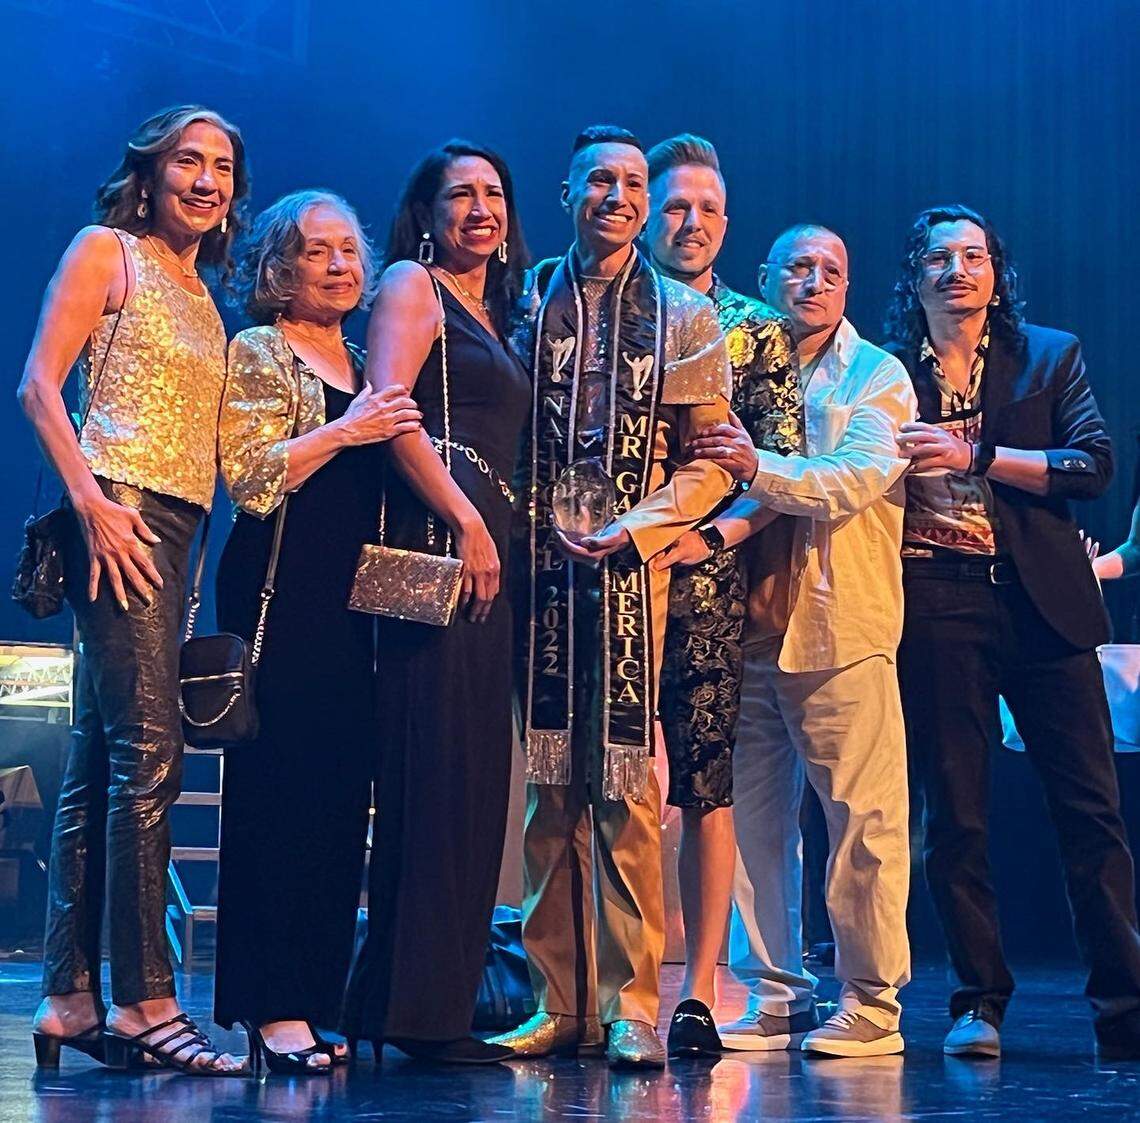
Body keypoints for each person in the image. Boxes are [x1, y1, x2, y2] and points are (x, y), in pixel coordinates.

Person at [490, 125, 735, 1069]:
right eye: (601, 179)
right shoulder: (524, 298)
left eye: (634, 182)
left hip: (635, 570)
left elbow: (716, 461)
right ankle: (557, 1000)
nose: (620, 197)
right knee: (549, 786)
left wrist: (638, 526)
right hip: (540, 569)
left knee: (627, 787)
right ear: (568, 193)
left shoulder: (685, 314)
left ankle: (631, 1003)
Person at [20, 105, 249, 1074]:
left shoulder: (203, 293)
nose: (206, 179)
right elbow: (38, 385)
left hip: (176, 525)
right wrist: (93, 505)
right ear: (148, 176)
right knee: (151, 758)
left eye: (222, 167)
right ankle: (148, 1000)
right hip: (119, 506)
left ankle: (69, 996)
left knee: (99, 760)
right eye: (187, 161)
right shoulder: (105, 250)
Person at [885, 204, 1140, 1060]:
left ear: (996, 274)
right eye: (940, 257)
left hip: (1044, 602)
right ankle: (978, 1001)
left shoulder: (1048, 354)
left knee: (1091, 811)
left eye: (975, 256)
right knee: (955, 812)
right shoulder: (885, 371)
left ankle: (1125, 1007)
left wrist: (977, 457)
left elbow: (1093, 465)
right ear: (915, 274)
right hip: (937, 601)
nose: (958, 270)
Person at [664, 224, 916, 1058]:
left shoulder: (876, 373)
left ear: (849, 286)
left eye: (832, 270)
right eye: (799, 267)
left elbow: (854, 477)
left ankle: (872, 1001)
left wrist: (755, 465)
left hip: (838, 622)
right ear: (765, 278)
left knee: (860, 818)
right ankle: (776, 993)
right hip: (742, 626)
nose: (815, 281)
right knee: (753, 825)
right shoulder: (729, 363)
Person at [213, 191, 421, 1074]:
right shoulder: (262, 348)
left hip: (352, 606)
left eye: (348, 249)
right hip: (281, 593)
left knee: (339, 804)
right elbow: (251, 477)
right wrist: (348, 428)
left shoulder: (366, 356)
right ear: (280, 268)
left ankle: (316, 993)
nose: (340, 265)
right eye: (317, 251)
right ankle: (270, 1005)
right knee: (279, 797)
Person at [339, 141, 531, 1065]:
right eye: (461, 194)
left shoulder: (495, 308)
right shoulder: (413, 284)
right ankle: (417, 1012)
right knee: (433, 769)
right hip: (437, 543)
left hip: (488, 553)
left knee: (470, 776)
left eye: (494, 193)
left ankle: (414, 1002)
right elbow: (389, 409)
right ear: (426, 211)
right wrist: (466, 519)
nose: (481, 208)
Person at [640, 133, 803, 1056]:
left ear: (727, 224)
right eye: (675, 205)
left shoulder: (755, 327)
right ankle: (602, 982)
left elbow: (772, 470)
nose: (690, 221)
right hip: (607, 570)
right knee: (605, 776)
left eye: (706, 208)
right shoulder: (597, 304)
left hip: (703, 577)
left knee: (705, 776)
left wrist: (707, 538)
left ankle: (699, 986)